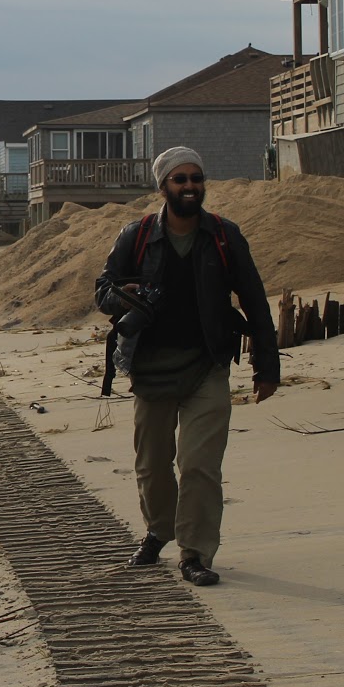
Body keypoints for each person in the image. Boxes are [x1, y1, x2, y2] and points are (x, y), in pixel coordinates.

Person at [94, 146, 279, 587]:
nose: (191, 186)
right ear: (163, 188)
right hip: (151, 368)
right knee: (153, 465)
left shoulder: (223, 235)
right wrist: (127, 296)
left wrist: (266, 367)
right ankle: (159, 530)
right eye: (181, 180)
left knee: (199, 465)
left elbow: (253, 299)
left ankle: (195, 553)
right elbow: (102, 290)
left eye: (196, 178)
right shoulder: (135, 235)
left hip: (207, 366)